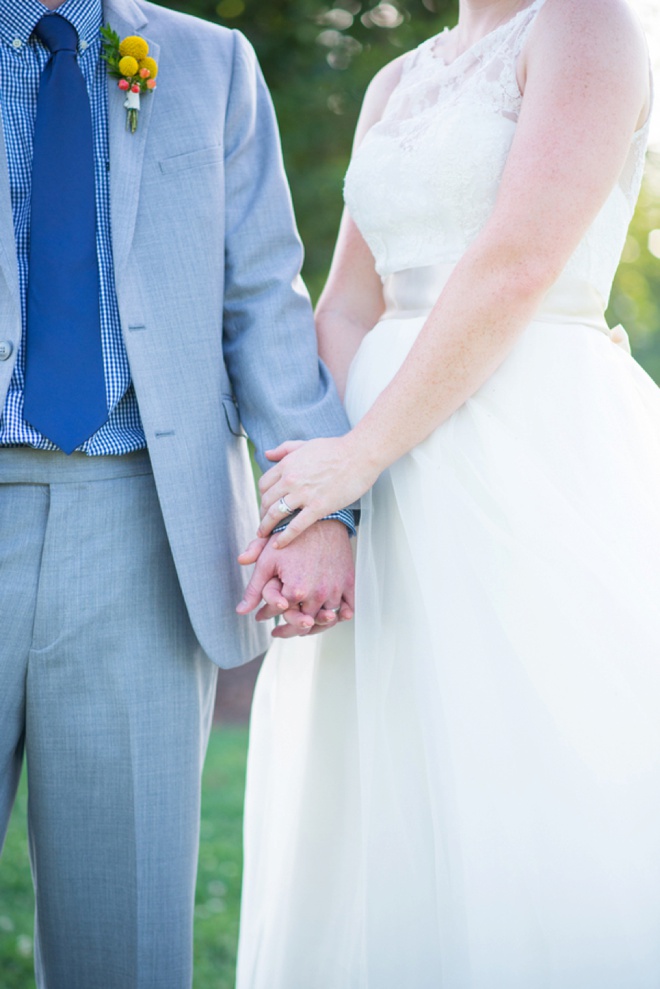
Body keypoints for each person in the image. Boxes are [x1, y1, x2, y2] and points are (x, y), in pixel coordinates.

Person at [236, 0, 660, 985]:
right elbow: (345, 300)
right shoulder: (398, 78)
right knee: (376, 783)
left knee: (522, 758)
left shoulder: (587, 28)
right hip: (383, 474)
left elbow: (518, 265)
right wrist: (335, 500)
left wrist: (362, 454)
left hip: (525, 455)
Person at [0, 0, 356, 987]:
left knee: (129, 942)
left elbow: (262, 302)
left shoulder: (210, 66)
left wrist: (314, 507)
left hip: (141, 533)